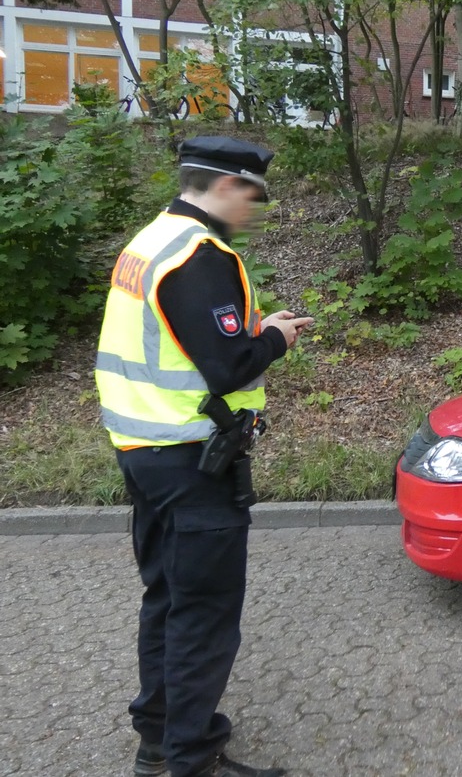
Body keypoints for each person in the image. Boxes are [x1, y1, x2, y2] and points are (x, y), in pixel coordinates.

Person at [95, 136, 313, 777]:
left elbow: (182, 340)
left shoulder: (149, 242)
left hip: (145, 452)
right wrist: (273, 337)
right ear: (224, 186)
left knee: (166, 596)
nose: (255, 210)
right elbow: (227, 365)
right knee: (205, 612)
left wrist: (255, 331)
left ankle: (158, 736)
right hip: (193, 463)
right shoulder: (199, 255)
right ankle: (192, 757)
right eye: (253, 196)